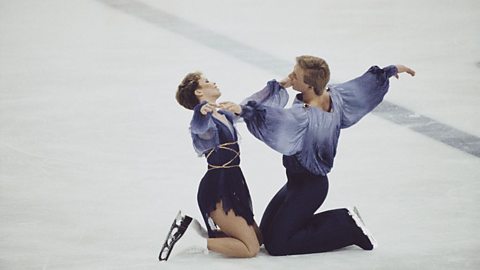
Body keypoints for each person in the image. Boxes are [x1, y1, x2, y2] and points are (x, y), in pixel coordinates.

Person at [221, 55, 415, 256]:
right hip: (295, 184)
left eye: (295, 75)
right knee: (267, 235)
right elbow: (362, 86)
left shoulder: (303, 117)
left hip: (311, 187)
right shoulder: (336, 97)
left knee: (278, 246)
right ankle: (334, 222)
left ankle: (347, 224)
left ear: (309, 85)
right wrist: (391, 70)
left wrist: (245, 111)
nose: (290, 76)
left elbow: (272, 118)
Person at [160, 72, 261, 261]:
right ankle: (193, 241)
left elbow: (249, 104)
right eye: (207, 82)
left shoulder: (222, 114)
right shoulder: (205, 121)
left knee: (259, 238)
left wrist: (277, 87)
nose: (213, 82)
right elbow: (198, 127)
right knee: (250, 249)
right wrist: (201, 111)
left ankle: (198, 230)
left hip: (234, 183)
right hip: (218, 189)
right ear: (199, 91)